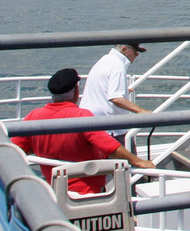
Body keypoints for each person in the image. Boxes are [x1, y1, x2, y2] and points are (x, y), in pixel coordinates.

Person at [11, 68, 153, 194]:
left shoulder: (34, 117)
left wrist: (38, 148)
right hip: (86, 194)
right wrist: (138, 161)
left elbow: (14, 150)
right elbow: (110, 147)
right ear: (76, 91)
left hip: (53, 191)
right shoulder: (81, 117)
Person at [80, 43, 151, 124]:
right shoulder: (118, 65)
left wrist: (123, 89)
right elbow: (115, 98)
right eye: (135, 52)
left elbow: (102, 86)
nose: (136, 55)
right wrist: (141, 111)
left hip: (89, 120)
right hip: (106, 125)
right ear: (124, 50)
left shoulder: (104, 60)